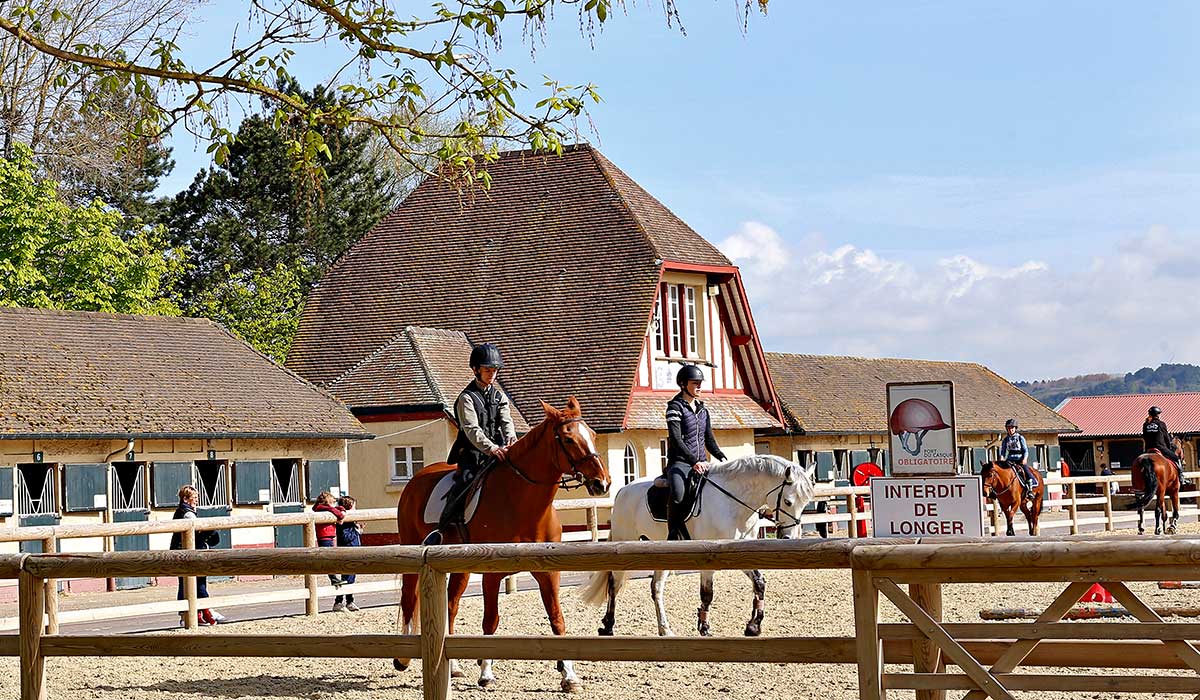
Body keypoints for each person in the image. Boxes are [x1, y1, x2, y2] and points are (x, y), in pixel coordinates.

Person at [423, 343, 518, 546]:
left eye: (494, 371)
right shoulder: (466, 398)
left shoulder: (499, 395)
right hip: (473, 454)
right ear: (476, 370)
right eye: (487, 370)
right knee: (464, 483)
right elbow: (472, 430)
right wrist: (491, 448)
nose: (492, 375)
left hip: (500, 451)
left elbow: (506, 421)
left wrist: (510, 439)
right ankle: (442, 528)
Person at [664, 364, 726, 541]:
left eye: (700, 383)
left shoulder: (702, 410)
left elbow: (709, 439)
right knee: (678, 494)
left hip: (702, 463)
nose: (699, 386)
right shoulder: (674, 408)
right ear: (683, 384)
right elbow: (676, 439)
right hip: (680, 463)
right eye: (695, 383)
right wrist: (693, 461)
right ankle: (673, 534)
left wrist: (721, 457)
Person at [169, 485, 223, 626]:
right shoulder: (188, 514)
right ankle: (200, 612)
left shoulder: (183, 511)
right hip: (189, 554)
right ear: (186, 498)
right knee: (197, 583)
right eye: (194, 497)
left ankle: (194, 613)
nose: (197, 500)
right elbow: (196, 532)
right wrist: (210, 531)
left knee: (188, 584)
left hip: (183, 553)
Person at [1143, 406, 1191, 488]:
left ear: (1150, 414)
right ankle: (1181, 477)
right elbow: (1166, 437)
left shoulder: (1145, 424)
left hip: (1148, 449)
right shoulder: (1161, 424)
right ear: (1158, 415)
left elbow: (1144, 437)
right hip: (1160, 447)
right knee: (1176, 458)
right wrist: (1169, 448)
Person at [333, 495, 362, 612]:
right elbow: (345, 537)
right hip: (347, 551)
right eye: (354, 508)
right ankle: (339, 601)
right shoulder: (344, 523)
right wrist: (357, 531)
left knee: (351, 578)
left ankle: (349, 601)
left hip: (353, 550)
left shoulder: (350, 522)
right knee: (346, 578)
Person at [312, 491, 346, 592]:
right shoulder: (321, 508)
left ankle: (334, 578)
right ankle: (333, 578)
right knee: (328, 558)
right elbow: (336, 512)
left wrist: (342, 509)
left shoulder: (325, 508)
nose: (333, 505)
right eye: (332, 502)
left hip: (328, 536)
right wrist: (341, 515)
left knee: (331, 557)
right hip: (324, 536)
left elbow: (336, 509)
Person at [999, 418, 1038, 499]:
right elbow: (1003, 451)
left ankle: (1030, 489)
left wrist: (1025, 459)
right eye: (1009, 428)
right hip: (1010, 459)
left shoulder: (1020, 438)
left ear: (1015, 429)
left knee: (1026, 471)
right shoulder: (1006, 439)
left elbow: (1025, 450)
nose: (1010, 430)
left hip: (1020, 459)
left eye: (1012, 428)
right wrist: (1002, 457)